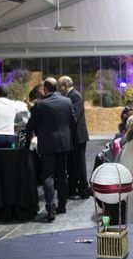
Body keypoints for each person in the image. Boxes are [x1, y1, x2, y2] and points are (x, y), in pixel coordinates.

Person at [26, 77, 76, 222]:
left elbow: (30, 125)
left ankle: (50, 209)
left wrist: (30, 137)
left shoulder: (40, 105)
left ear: (45, 89)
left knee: (47, 176)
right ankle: (63, 205)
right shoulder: (67, 101)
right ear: (57, 88)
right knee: (62, 174)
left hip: (47, 144)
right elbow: (72, 122)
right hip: (64, 143)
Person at [58, 76, 90, 199]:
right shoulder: (70, 96)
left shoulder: (75, 96)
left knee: (80, 164)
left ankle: (84, 190)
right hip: (74, 136)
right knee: (72, 163)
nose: (59, 89)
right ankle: (73, 189)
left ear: (66, 85)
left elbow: (74, 117)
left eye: (60, 86)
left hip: (78, 136)